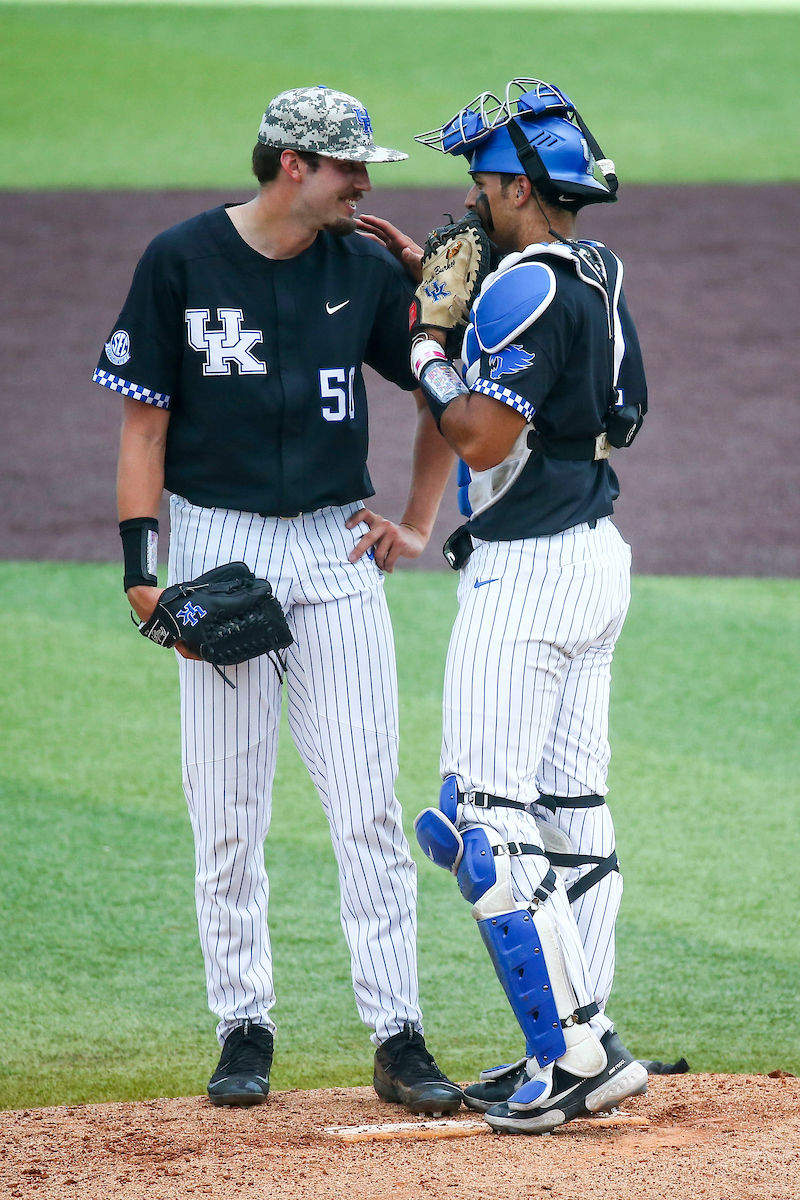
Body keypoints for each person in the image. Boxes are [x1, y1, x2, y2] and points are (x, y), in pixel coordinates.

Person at [94, 85, 460, 1113]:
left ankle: (396, 1033)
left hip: (337, 543)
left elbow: (441, 392)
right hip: (216, 542)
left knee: (367, 808)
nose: (365, 183)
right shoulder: (180, 261)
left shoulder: (361, 266)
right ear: (293, 164)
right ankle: (241, 1024)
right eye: (350, 166)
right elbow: (143, 430)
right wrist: (140, 572)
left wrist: (417, 516)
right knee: (226, 811)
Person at [407, 78, 650, 1133]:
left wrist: (424, 338)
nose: (467, 205)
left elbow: (479, 439)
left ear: (514, 184)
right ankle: (593, 1035)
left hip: (528, 572)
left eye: (477, 183)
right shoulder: (596, 270)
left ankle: (565, 1060)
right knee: (571, 817)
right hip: (595, 554)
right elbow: (622, 412)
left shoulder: (518, 291)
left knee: (483, 820)